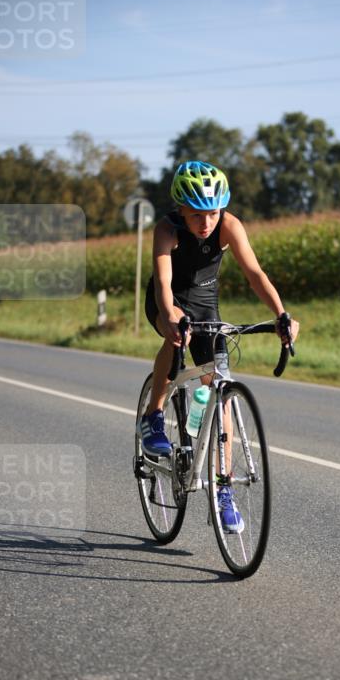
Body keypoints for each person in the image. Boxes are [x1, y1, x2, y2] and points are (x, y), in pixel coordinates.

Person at [139, 159, 299, 534]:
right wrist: (171, 314)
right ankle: (154, 416)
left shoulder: (229, 225)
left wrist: (280, 314)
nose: (205, 222)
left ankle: (223, 490)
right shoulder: (167, 229)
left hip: (207, 304)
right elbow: (163, 283)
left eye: (211, 213)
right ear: (180, 209)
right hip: (169, 300)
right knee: (174, 333)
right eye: (196, 214)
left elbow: (255, 273)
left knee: (220, 390)